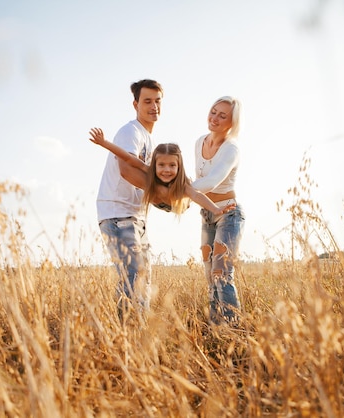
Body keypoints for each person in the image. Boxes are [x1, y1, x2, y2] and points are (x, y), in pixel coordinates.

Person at [95, 79, 163, 317]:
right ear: (135, 104)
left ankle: (137, 341)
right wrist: (161, 195)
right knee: (133, 279)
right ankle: (128, 341)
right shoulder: (130, 131)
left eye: (157, 101)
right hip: (118, 214)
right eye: (147, 101)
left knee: (141, 278)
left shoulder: (150, 139)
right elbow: (127, 170)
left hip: (135, 216)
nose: (153, 106)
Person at [89, 128, 236, 216]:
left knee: (189, 189)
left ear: (179, 167)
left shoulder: (182, 185)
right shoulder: (149, 171)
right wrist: (104, 142)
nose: (166, 170)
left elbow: (197, 195)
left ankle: (183, 188)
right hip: (158, 199)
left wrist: (215, 209)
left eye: (172, 165)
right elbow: (128, 157)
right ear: (154, 165)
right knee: (132, 161)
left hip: (177, 202)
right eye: (161, 165)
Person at [190, 96, 245, 325]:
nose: (215, 118)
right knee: (209, 276)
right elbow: (199, 181)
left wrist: (178, 190)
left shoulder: (231, 149)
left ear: (231, 123)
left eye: (223, 116)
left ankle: (235, 331)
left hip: (228, 214)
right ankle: (216, 330)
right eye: (213, 112)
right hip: (207, 215)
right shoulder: (199, 142)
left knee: (221, 275)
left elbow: (211, 181)